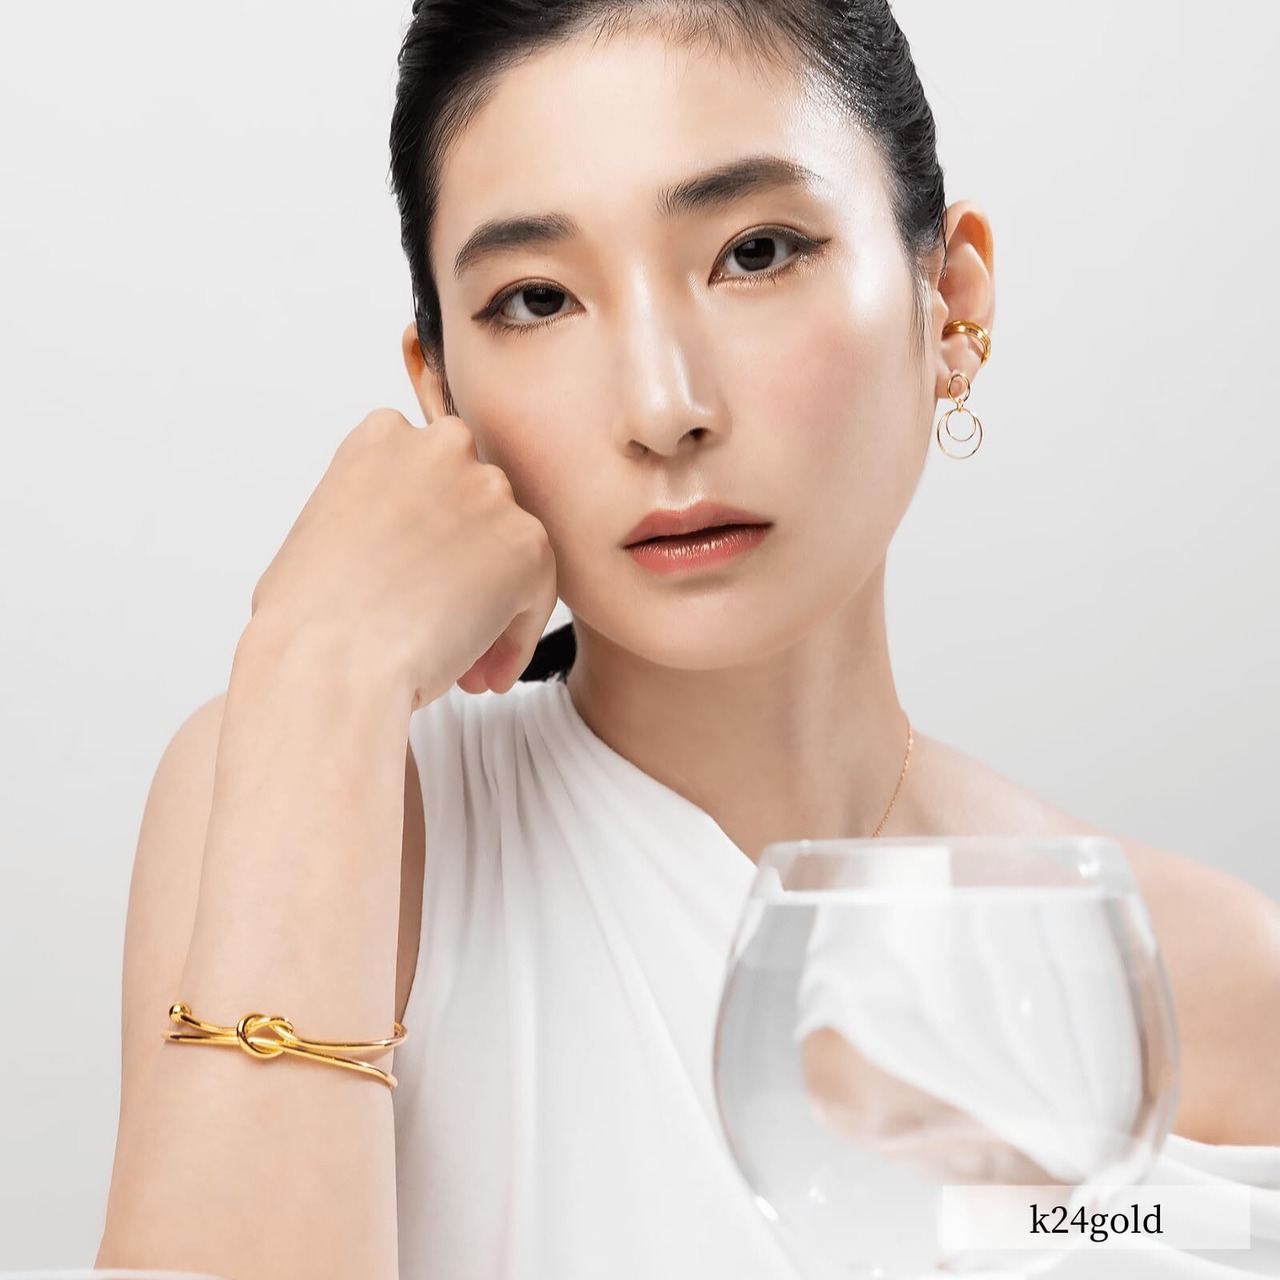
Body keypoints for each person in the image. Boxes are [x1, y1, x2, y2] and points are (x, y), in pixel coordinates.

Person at [96, 3, 1279, 1279]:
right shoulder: (320, 796)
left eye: (753, 252)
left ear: (947, 303)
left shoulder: (1208, 982)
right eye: (537, 299)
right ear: (441, 393)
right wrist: (320, 662)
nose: (662, 408)